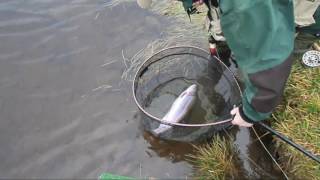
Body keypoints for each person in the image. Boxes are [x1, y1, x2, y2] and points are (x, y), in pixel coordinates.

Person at [182, 0, 320, 127]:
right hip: (257, 11)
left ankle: (239, 106)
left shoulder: (247, 6)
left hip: (303, 18)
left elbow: (269, 61)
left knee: (249, 75)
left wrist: (251, 113)